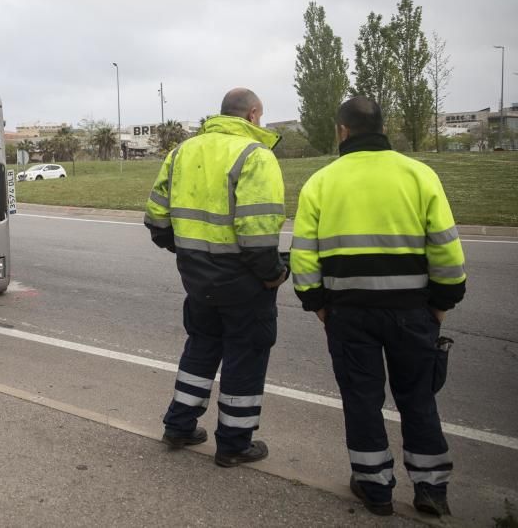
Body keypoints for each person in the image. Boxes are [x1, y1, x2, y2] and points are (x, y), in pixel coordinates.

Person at [291, 97, 466, 518]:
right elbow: (447, 251)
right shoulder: (419, 175)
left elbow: (303, 256)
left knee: (362, 400)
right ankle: (431, 490)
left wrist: (316, 304)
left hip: (348, 314)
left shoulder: (321, 181)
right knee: (419, 398)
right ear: (382, 128)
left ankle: (375, 488)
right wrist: (441, 304)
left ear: (342, 131)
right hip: (413, 312)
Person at [145, 88, 288, 467]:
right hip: (244, 283)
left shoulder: (181, 152)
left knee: (202, 346)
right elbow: (258, 238)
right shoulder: (256, 155)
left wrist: (192, 253)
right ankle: (234, 444)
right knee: (245, 356)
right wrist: (274, 275)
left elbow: (156, 221)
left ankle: (179, 426)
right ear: (253, 114)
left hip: (198, 279)